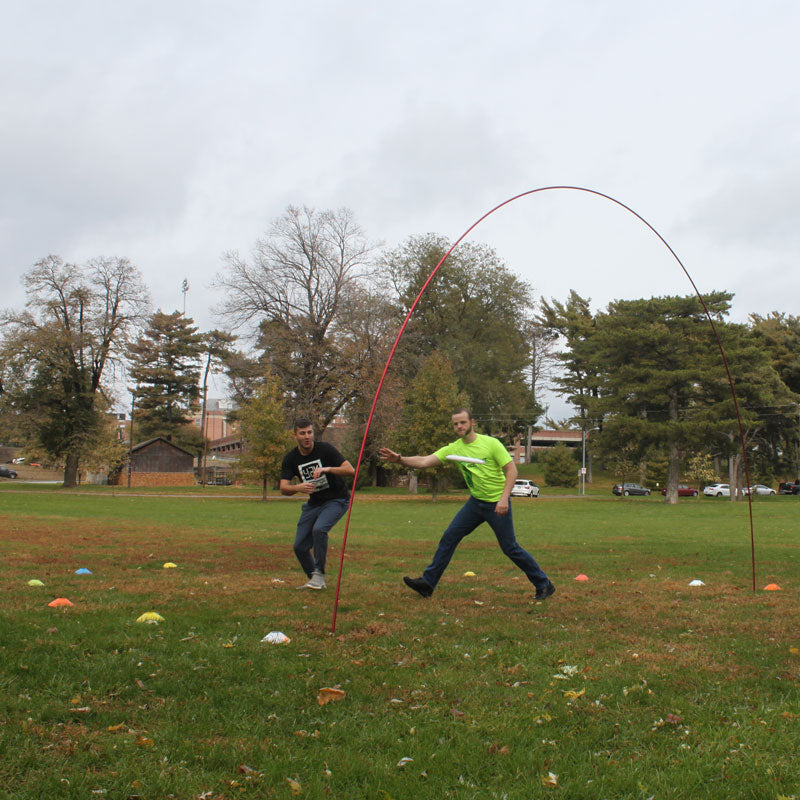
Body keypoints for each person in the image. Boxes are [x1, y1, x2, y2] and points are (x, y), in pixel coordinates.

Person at [379, 408, 555, 601]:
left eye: (462, 422)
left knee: (510, 548)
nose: (459, 426)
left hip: (496, 503)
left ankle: (544, 584)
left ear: (472, 422)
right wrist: (400, 459)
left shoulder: (491, 444)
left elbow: (511, 470)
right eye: (455, 424)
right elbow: (424, 461)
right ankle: (427, 584)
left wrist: (504, 498)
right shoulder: (454, 448)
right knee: (449, 537)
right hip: (475, 503)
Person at [280, 419, 355, 589]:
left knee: (319, 530)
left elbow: (350, 470)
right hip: (314, 504)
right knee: (299, 547)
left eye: (309, 432)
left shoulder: (325, 449)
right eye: (302, 433)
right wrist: (299, 487)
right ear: (295, 435)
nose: (307, 437)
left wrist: (327, 469)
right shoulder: (291, 458)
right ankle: (315, 580)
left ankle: (319, 574)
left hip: (337, 500)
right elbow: (283, 488)